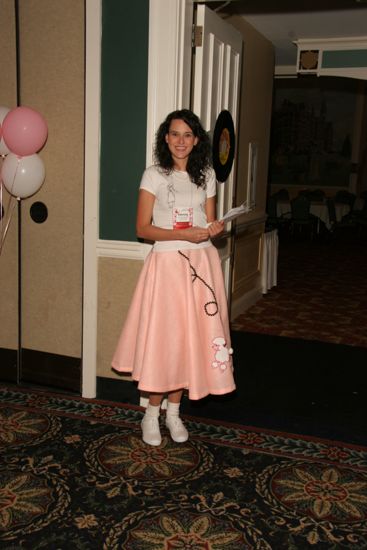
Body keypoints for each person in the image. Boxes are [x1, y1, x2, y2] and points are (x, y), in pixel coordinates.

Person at [112, 109, 235, 446]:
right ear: (166, 138)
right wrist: (183, 237)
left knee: (190, 338)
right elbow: (142, 228)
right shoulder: (153, 175)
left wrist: (215, 229)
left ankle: (175, 413)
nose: (181, 141)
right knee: (165, 339)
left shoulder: (206, 175)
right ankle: (151, 414)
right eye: (175, 134)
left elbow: (207, 224)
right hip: (166, 266)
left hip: (201, 264)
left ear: (196, 140)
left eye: (188, 135)